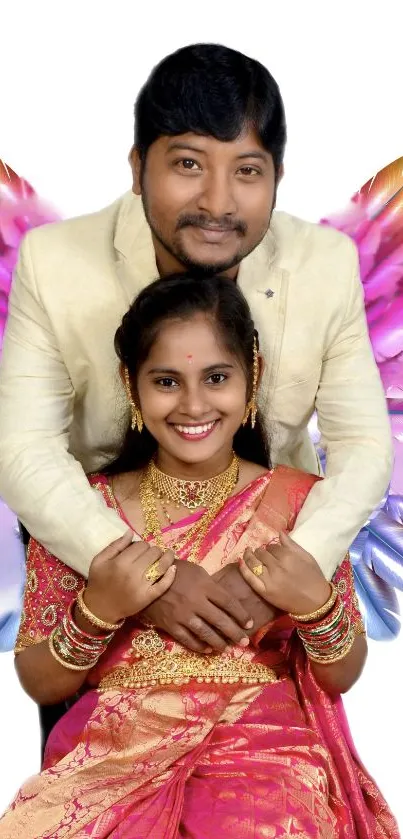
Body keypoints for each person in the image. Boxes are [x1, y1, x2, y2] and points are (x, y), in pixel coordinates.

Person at [0, 43, 393, 654]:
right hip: (101, 573)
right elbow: (23, 446)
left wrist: (280, 573)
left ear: (277, 178)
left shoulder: (323, 264)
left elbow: (363, 446)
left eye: (247, 170)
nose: (217, 203)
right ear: (137, 168)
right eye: (188, 164)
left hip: (266, 579)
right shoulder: (55, 264)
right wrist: (142, 574)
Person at [0, 274, 398, 838]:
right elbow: (41, 681)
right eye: (166, 381)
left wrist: (316, 605)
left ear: (251, 377)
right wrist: (99, 608)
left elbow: (341, 675)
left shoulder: (299, 503)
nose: (193, 405)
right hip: (111, 760)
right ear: (130, 385)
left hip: (271, 761)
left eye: (216, 378)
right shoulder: (84, 510)